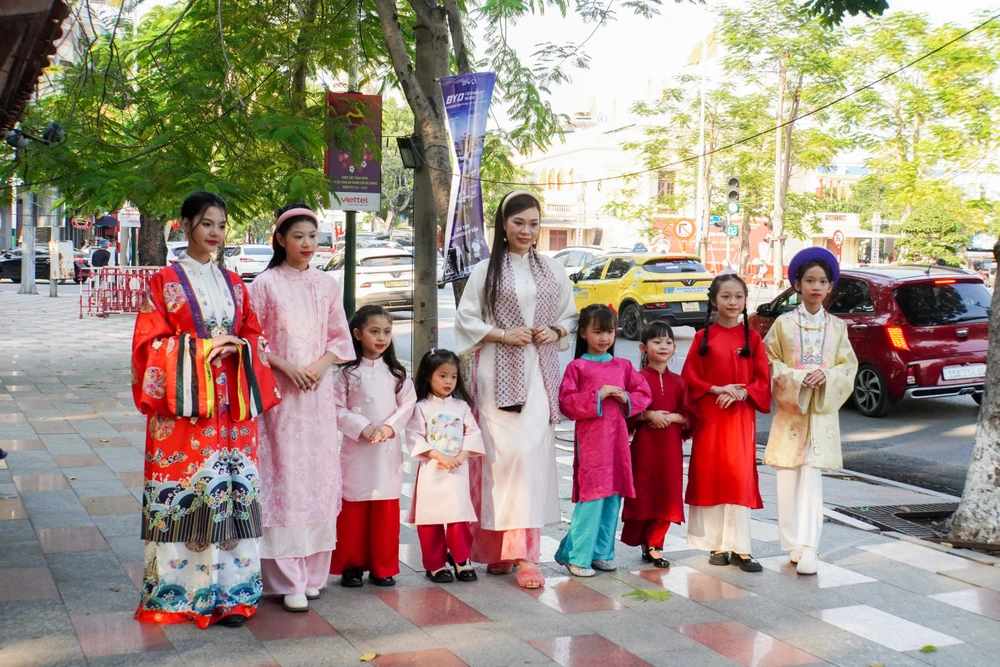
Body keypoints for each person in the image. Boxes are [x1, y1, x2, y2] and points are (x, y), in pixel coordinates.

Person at [131, 192, 280, 628]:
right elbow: (147, 348)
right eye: (206, 224)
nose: (214, 233)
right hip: (183, 414)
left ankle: (235, 593)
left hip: (232, 410)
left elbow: (255, 335)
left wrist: (241, 346)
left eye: (220, 225)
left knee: (232, 494)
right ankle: (183, 594)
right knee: (188, 494)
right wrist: (203, 348)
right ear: (185, 226)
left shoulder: (235, 283)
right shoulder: (163, 282)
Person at [454, 190, 578, 589]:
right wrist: (502, 334)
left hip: (540, 374)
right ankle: (496, 550)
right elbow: (466, 319)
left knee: (528, 457)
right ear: (503, 225)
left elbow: (569, 316)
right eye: (519, 222)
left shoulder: (553, 271)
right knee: (498, 460)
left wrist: (555, 330)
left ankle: (526, 555)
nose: (527, 230)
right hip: (495, 372)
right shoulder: (485, 271)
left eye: (534, 223)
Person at [248, 204, 355, 612]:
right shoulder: (265, 284)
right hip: (281, 398)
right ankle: (286, 577)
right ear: (280, 239)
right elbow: (254, 340)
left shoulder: (327, 285)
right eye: (298, 236)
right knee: (286, 479)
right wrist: (288, 367)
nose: (307, 244)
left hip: (318, 397)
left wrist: (319, 367)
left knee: (318, 478)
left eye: (313, 236)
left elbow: (340, 339)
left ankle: (312, 574)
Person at [763, 248, 857, 575]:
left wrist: (827, 376)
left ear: (830, 287)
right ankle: (792, 542)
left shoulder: (838, 328)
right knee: (788, 477)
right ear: (797, 285)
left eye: (822, 281)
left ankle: (811, 545)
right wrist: (800, 378)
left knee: (813, 477)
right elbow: (769, 362)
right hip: (792, 410)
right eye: (809, 280)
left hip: (820, 414)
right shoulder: (783, 324)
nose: (816, 287)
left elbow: (848, 367)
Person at [681, 273, 771, 572]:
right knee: (713, 476)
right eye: (726, 296)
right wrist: (716, 388)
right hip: (711, 418)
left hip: (740, 419)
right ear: (713, 300)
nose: (733, 302)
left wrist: (742, 391)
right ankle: (717, 544)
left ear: (746, 301)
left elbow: (762, 380)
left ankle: (742, 548)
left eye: (739, 297)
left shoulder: (753, 339)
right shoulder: (702, 338)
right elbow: (689, 378)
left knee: (739, 477)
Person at [555, 305, 651, 577]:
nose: (604, 338)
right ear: (583, 333)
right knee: (592, 498)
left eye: (609, 331)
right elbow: (566, 402)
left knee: (612, 498)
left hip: (618, 444)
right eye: (597, 332)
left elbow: (643, 392)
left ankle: (602, 553)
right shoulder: (578, 367)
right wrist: (598, 395)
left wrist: (626, 398)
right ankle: (576, 557)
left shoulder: (623, 365)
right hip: (591, 444)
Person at [330, 305, 416, 588]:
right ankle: (352, 566)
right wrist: (361, 427)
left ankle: (383, 566)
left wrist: (389, 426)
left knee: (385, 509)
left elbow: (408, 405)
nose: (381, 338)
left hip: (386, 451)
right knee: (353, 508)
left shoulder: (397, 372)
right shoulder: (346, 373)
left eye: (387, 332)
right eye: (374, 331)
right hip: (357, 450)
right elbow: (335, 407)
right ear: (357, 334)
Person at [405, 349, 485, 583]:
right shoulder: (420, 407)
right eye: (442, 376)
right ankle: (435, 564)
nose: (449, 381)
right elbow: (414, 436)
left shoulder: (461, 406)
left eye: (453, 376)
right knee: (430, 517)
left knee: (459, 515)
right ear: (428, 376)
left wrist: (463, 454)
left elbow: (473, 432)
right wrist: (437, 454)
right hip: (432, 470)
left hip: (458, 470)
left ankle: (462, 559)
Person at [621, 320, 695, 569]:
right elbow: (627, 410)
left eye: (668, 342)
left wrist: (671, 417)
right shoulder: (637, 379)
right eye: (656, 341)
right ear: (643, 348)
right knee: (645, 493)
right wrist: (647, 415)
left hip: (671, 449)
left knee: (668, 493)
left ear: (674, 347)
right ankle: (645, 539)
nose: (663, 346)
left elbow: (689, 415)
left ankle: (656, 543)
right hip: (644, 449)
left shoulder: (679, 382)